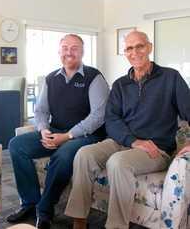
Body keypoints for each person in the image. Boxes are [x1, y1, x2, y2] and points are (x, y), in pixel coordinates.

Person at [64, 30, 190, 229]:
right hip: (122, 142)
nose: (135, 52)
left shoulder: (170, 77)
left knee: (118, 162)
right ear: (125, 53)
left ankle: (116, 226)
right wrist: (133, 141)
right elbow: (111, 119)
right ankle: (79, 221)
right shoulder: (120, 84)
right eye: (129, 48)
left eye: (139, 46)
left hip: (156, 148)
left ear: (149, 47)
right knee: (84, 154)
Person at [6, 34, 109, 229]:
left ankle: (44, 211)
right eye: (65, 48)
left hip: (87, 136)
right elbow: (41, 110)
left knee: (62, 155)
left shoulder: (94, 77)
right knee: (16, 145)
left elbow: (98, 116)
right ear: (59, 51)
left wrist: (68, 136)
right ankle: (29, 202)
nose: (69, 52)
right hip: (56, 130)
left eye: (74, 48)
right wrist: (44, 129)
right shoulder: (51, 78)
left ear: (83, 52)